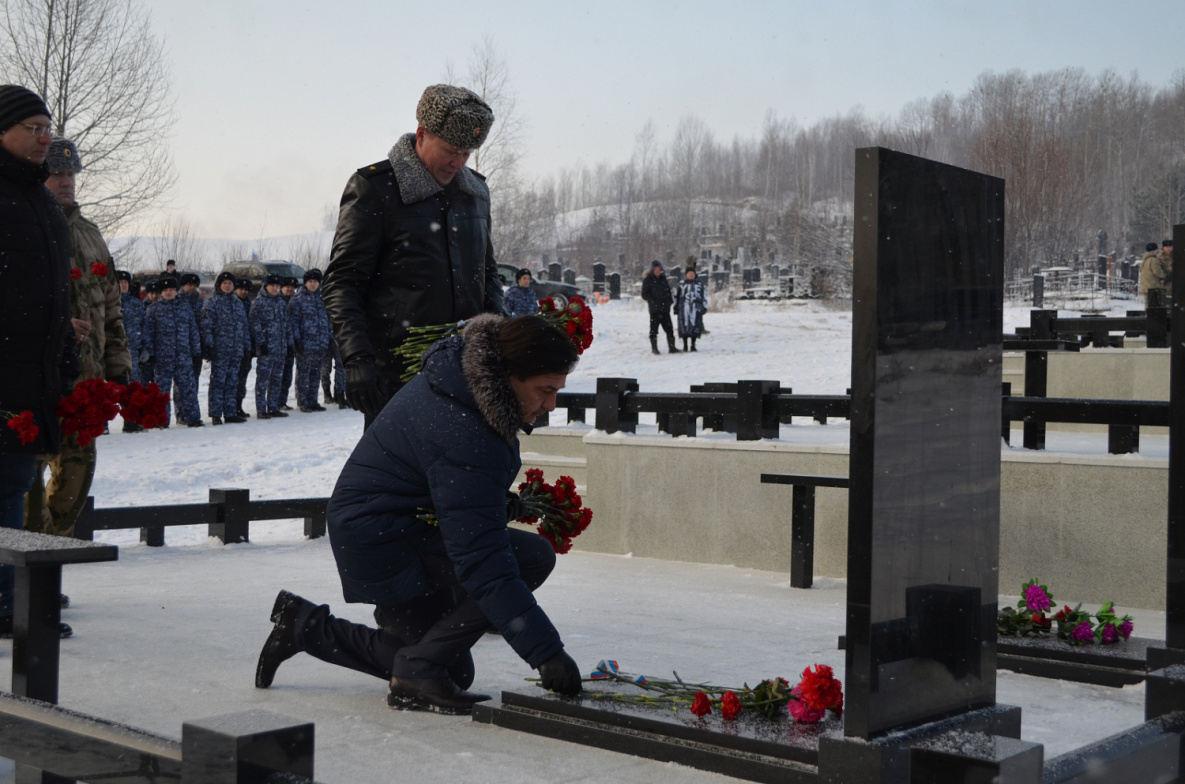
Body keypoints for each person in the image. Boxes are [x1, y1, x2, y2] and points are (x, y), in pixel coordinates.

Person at [254, 314, 583, 714]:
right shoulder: (466, 427)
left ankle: (304, 627)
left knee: (448, 669)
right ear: (509, 374)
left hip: (391, 527)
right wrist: (546, 652)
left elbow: (454, 491)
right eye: (544, 390)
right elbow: (482, 559)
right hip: (379, 540)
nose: (550, 405)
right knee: (525, 561)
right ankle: (408, 664)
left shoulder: (463, 384)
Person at [323, 83, 504, 430]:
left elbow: (488, 274)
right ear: (421, 134)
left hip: (469, 371)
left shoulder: (475, 193)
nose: (458, 163)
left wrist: (498, 336)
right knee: (399, 478)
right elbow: (342, 282)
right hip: (398, 374)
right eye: (451, 150)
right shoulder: (376, 189)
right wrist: (357, 358)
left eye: (466, 154)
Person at [0, 84, 79, 636]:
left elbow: (53, 288)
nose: (46, 139)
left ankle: (12, 593)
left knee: (15, 480)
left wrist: (64, 344)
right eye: (34, 128)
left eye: (48, 128)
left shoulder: (40, 198)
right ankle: (7, 599)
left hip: (31, 371)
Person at [26, 137, 132, 538]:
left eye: (71, 173)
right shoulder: (23, 223)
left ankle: (49, 556)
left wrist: (118, 369)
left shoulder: (90, 234)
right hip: (36, 378)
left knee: (77, 473)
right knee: (24, 478)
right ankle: (25, 573)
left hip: (84, 383)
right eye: (57, 173)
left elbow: (110, 308)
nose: (66, 181)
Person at [142, 277, 203, 427]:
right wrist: (150, 354)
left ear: (176, 291)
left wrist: (196, 352)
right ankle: (162, 420)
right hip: (163, 358)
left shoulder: (185, 308)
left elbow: (193, 331)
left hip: (184, 356)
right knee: (162, 391)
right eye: (165, 290)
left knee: (188, 389)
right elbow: (148, 334)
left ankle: (192, 418)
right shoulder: (153, 310)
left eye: (171, 290)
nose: (168, 292)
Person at [202, 271, 249, 425]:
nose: (227, 286)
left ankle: (230, 412)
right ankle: (216, 413)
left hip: (236, 350)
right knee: (218, 382)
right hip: (220, 349)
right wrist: (209, 345)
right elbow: (207, 326)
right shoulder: (212, 303)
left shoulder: (238, 304)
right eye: (225, 283)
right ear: (219, 285)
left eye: (230, 283)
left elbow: (244, 327)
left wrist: (247, 347)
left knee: (232, 382)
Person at [250, 273, 293, 419]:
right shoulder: (259, 303)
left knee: (276, 380)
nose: (275, 288)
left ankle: (273, 407)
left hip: (280, 348)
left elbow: (287, 325)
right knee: (263, 380)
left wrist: (289, 343)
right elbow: (255, 325)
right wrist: (261, 343)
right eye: (272, 286)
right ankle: (261, 409)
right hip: (267, 349)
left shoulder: (281, 303)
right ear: (266, 286)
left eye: (277, 286)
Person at [289, 269, 331, 413]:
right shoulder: (298, 299)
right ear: (305, 283)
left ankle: (313, 401)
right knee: (303, 374)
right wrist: (297, 340)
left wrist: (328, 338)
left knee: (315, 373)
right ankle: (303, 401)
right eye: (310, 282)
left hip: (320, 343)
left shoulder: (323, 298)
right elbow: (294, 322)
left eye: (315, 282)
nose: (313, 284)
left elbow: (327, 320)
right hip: (305, 343)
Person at [641, 260, 680, 354]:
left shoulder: (663, 279)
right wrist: (652, 301)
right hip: (654, 310)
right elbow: (644, 294)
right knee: (654, 330)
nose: (658, 271)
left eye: (659, 269)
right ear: (652, 270)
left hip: (665, 309)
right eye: (656, 269)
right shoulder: (648, 280)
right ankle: (654, 348)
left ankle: (672, 347)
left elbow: (668, 292)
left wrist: (669, 302)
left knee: (669, 329)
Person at [234, 278, 255, 418]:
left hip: (246, 347)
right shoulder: (232, 303)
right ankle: (230, 407)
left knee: (242, 380)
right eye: (241, 289)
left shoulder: (249, 304)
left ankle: (238, 406)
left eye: (246, 290)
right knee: (232, 380)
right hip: (233, 347)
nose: (243, 292)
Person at [278, 276, 299, 411]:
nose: (290, 289)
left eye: (292, 287)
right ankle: (275, 402)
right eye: (287, 287)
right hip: (278, 345)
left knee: (287, 376)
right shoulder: (278, 301)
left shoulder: (295, 302)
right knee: (277, 377)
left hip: (290, 344)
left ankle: (282, 401)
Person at [675, 267, 708, 352]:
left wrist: (704, 307)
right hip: (683, 309)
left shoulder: (699, 285)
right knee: (684, 327)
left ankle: (693, 345)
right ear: (686, 275)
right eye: (689, 273)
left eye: (692, 274)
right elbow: (676, 296)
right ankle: (685, 345)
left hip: (695, 309)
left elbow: (704, 296)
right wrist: (676, 307)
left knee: (695, 326)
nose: (690, 275)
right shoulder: (681, 284)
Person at [1140, 241, 1171, 309]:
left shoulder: (1145, 259)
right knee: (1153, 305)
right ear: (1154, 250)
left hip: (1145, 286)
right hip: (1153, 286)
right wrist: (1164, 275)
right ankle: (1151, 318)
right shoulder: (1154, 260)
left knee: (1148, 304)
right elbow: (1157, 272)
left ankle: (1147, 317)